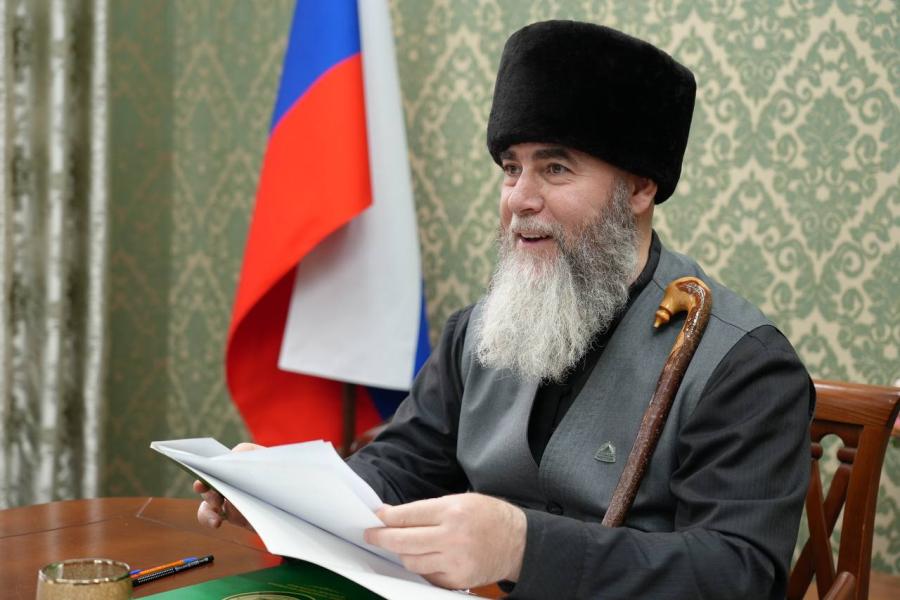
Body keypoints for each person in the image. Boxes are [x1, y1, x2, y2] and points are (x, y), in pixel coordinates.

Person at [196, 20, 813, 599]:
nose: (519, 199)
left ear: (639, 187)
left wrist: (523, 547)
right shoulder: (478, 332)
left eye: (555, 168)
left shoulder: (742, 364)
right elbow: (404, 468)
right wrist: (289, 491)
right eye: (511, 169)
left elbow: (739, 572)